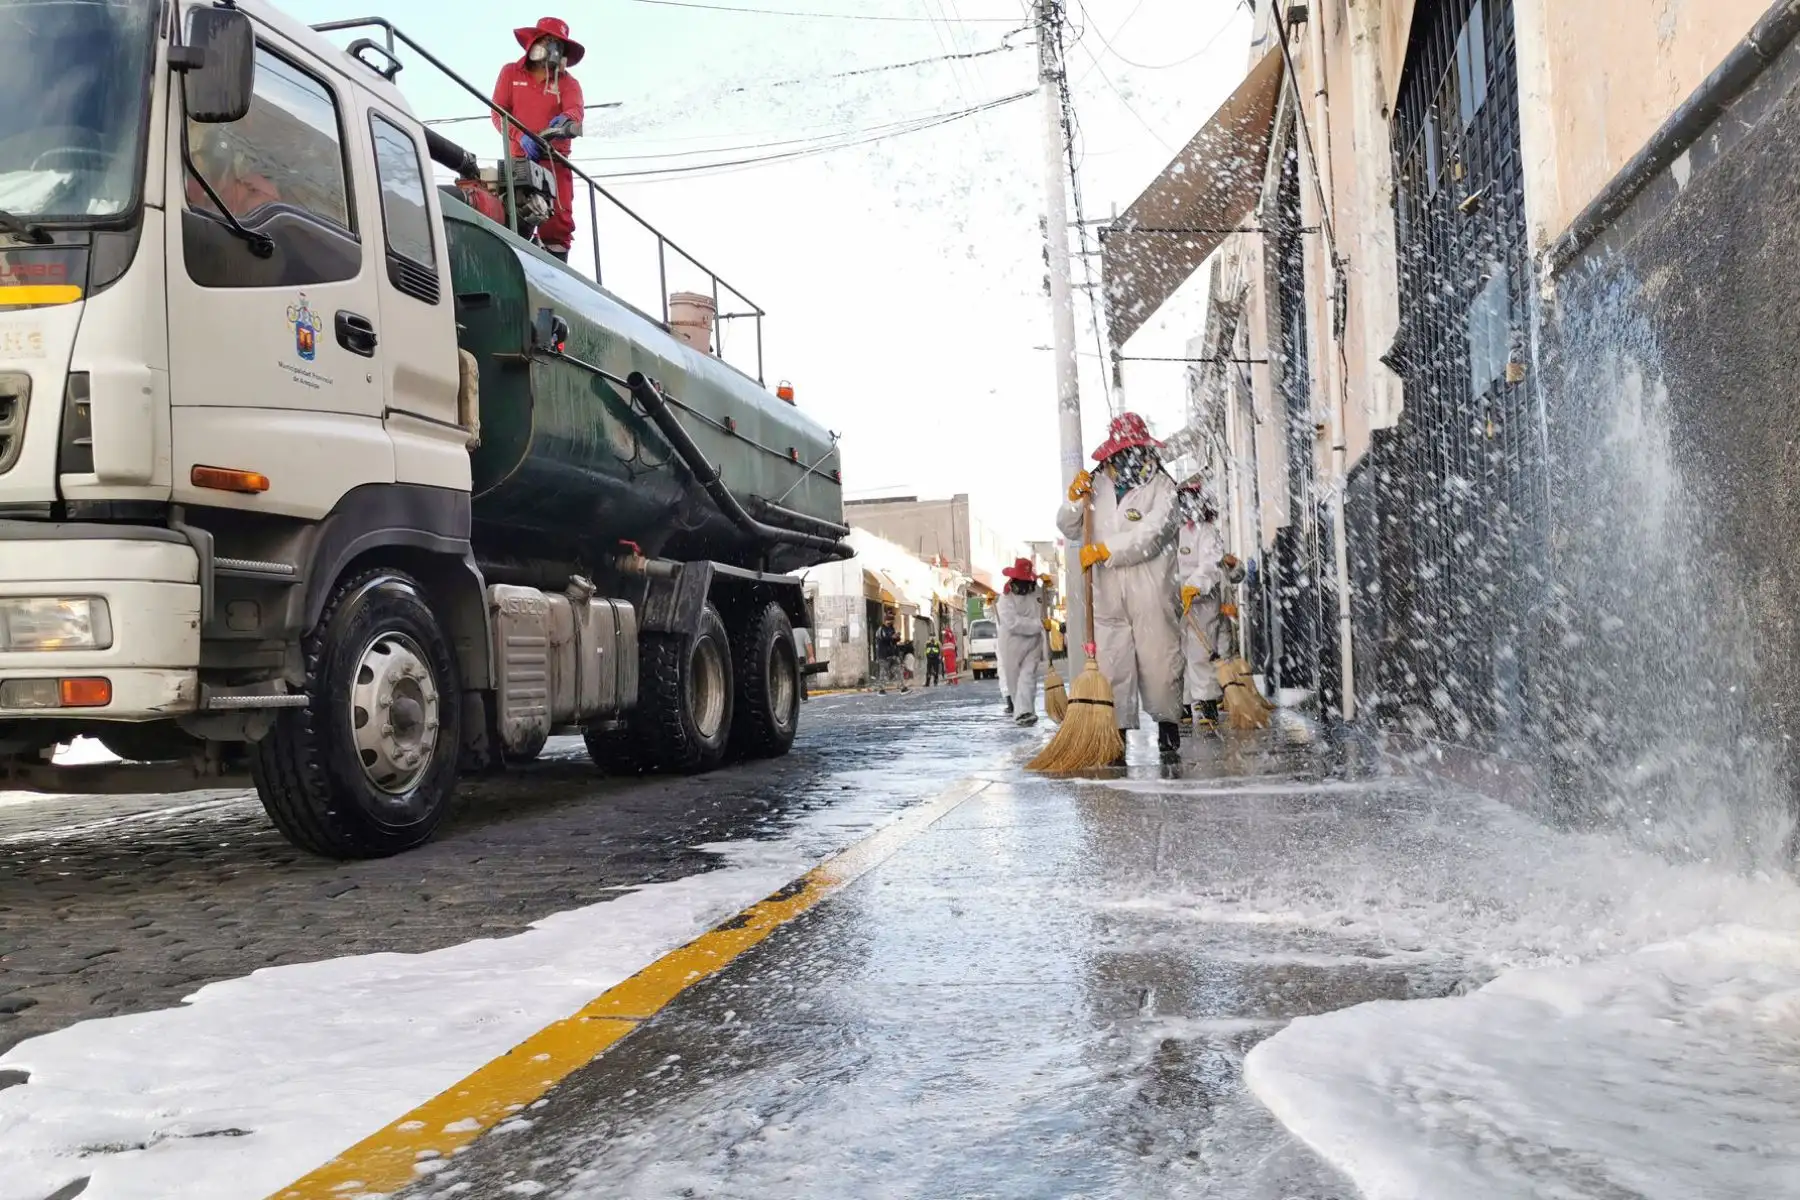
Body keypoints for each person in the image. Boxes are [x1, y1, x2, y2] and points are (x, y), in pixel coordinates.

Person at [1058, 412, 1184, 761]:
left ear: (1145, 451)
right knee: (1112, 668)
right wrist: (1073, 501)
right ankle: (1115, 738)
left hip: (1151, 592)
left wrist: (1106, 549)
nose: (1127, 460)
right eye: (1121, 453)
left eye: (1134, 452)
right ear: (1111, 455)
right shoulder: (1095, 488)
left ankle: (1168, 729)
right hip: (1107, 594)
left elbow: (1154, 534)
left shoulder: (1163, 488)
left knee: (1160, 663)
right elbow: (1069, 527)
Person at [492, 17, 586, 261]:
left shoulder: (568, 83)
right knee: (512, 214)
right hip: (520, 160)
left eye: (559, 45)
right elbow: (498, 112)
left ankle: (557, 273)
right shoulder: (511, 73)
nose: (554, 50)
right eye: (550, 42)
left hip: (555, 162)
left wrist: (565, 119)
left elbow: (575, 111)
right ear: (536, 42)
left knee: (558, 223)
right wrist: (520, 136)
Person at [1176, 478, 1239, 726]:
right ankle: (1183, 703)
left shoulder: (1208, 532)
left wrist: (1195, 584)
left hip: (1202, 602)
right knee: (1177, 654)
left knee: (1201, 653)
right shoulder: (1173, 532)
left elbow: (1211, 563)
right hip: (1176, 601)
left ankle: (1208, 704)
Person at [997, 558, 1049, 727]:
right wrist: (1038, 624)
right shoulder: (1005, 599)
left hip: (1033, 641)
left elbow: (1045, 601)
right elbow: (1012, 623)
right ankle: (1019, 710)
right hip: (1012, 643)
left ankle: (1025, 711)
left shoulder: (1037, 591)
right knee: (1013, 679)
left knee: (1028, 676)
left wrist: (1050, 586)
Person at [874, 615, 898, 693]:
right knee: (883, 672)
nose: (891, 622)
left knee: (897, 670)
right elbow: (883, 639)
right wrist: (892, 637)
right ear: (885, 621)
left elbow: (893, 641)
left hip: (891, 654)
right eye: (889, 620)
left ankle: (903, 687)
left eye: (892, 620)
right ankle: (881, 689)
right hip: (883, 654)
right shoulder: (881, 629)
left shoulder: (891, 628)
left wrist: (897, 637)